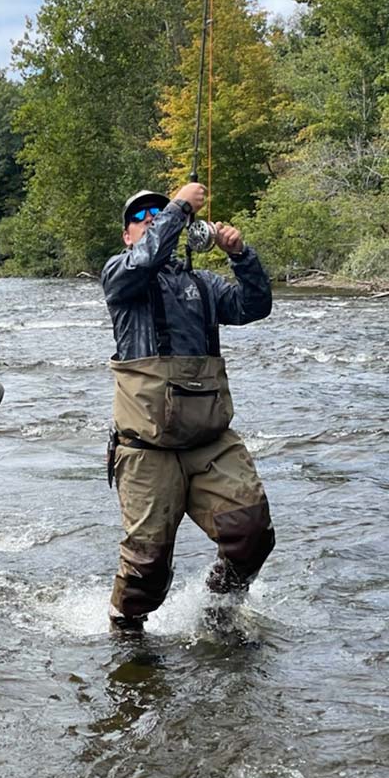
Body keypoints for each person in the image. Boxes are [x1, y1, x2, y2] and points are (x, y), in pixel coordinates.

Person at [102, 183, 275, 633]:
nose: (152, 219)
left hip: (210, 442)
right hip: (147, 449)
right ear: (127, 235)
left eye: (158, 212)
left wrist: (241, 255)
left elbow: (256, 306)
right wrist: (177, 207)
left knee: (251, 535)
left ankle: (219, 609)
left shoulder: (204, 283)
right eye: (142, 217)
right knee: (148, 570)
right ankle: (125, 632)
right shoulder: (121, 275)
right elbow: (145, 260)